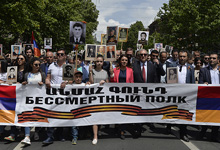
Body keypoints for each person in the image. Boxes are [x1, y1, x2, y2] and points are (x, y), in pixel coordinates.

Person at [167, 50, 195, 142]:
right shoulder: (172, 66)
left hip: (186, 95)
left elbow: (192, 82)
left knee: (184, 113)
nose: (182, 58)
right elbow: (170, 81)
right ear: (178, 57)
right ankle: (168, 127)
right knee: (172, 111)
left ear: (187, 58)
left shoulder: (190, 68)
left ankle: (183, 133)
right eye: (180, 56)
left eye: (184, 56)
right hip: (175, 93)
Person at [43, 48, 68, 145]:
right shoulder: (51, 66)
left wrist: (66, 82)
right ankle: (49, 136)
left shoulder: (68, 66)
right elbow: (48, 77)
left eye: (62, 54)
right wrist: (47, 80)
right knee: (50, 114)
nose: (60, 56)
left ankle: (60, 134)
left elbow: (71, 80)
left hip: (63, 94)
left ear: (65, 56)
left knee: (60, 114)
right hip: (52, 93)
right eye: (58, 54)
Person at [21, 57, 46, 145]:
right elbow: (22, 84)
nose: (37, 66)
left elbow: (46, 86)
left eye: (39, 65)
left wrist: (43, 84)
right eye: (36, 65)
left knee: (37, 116)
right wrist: (23, 84)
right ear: (31, 65)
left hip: (39, 99)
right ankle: (27, 136)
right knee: (27, 116)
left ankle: (36, 132)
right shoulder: (27, 74)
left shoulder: (42, 74)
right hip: (28, 99)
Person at [198, 52, 220, 142]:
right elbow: (200, 82)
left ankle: (214, 135)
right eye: (210, 58)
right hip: (209, 97)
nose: (211, 60)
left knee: (217, 117)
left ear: (218, 60)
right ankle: (202, 133)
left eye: (214, 58)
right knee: (207, 116)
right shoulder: (204, 70)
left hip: (218, 98)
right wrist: (203, 84)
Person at [89, 54, 109, 145]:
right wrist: (90, 72)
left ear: (103, 62)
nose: (99, 63)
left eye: (101, 61)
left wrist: (104, 82)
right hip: (94, 97)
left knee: (100, 116)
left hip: (103, 97)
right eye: (97, 61)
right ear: (95, 62)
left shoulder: (105, 72)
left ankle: (98, 131)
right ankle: (95, 136)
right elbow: (91, 83)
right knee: (95, 117)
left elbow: (108, 86)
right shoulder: (92, 71)